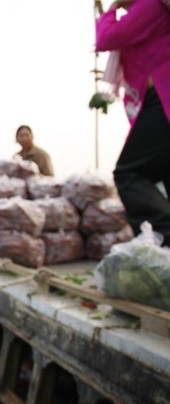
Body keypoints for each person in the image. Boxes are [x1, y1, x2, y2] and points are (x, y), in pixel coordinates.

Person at [95, 0, 170, 245]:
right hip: (156, 100)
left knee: (130, 172)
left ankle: (162, 238)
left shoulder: (150, 5)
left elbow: (107, 38)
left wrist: (112, 8)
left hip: (162, 98)